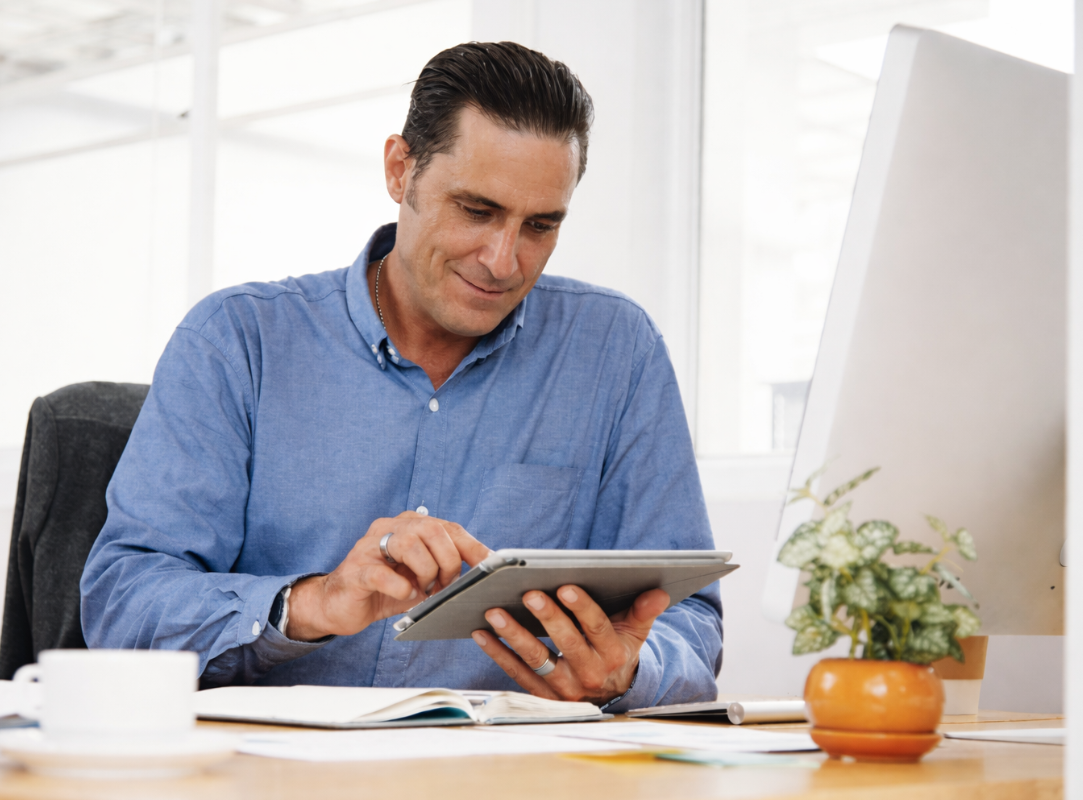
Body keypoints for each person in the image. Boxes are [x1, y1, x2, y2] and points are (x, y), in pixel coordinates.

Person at [80, 41, 722, 710]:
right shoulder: (236, 342)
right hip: (271, 767)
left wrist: (629, 672)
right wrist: (314, 603)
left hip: (509, 770)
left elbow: (691, 624)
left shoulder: (616, 353)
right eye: (476, 210)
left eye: (539, 225)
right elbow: (123, 602)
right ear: (399, 170)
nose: (504, 260)